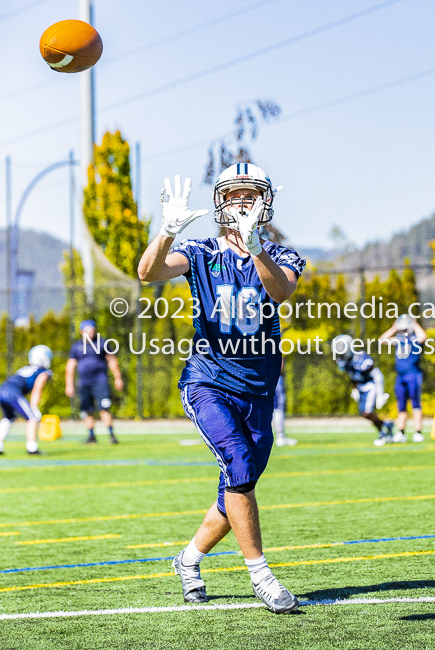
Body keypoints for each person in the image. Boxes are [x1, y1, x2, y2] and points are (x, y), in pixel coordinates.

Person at [138, 164, 306, 613]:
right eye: (234, 194)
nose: (242, 202)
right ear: (220, 202)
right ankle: (262, 576)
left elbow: (279, 292)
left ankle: (188, 561)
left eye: (250, 194)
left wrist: (254, 250)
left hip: (258, 391)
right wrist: (166, 233)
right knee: (238, 465)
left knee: (233, 490)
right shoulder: (201, 251)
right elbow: (148, 273)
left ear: (266, 202)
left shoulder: (281, 256)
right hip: (209, 380)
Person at [65, 319, 123, 445]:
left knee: (104, 408)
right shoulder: (76, 347)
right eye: (87, 331)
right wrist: (69, 385)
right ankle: (91, 436)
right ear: (81, 332)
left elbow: (112, 360)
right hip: (84, 383)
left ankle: (112, 435)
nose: (90, 333)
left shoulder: (102, 343)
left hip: (100, 382)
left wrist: (118, 377)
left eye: (92, 330)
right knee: (87, 410)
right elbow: (70, 366)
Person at [333, 334, 393, 447]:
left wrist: (380, 393)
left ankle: (383, 434)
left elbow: (376, 374)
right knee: (364, 414)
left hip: (371, 386)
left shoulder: (359, 357)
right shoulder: (343, 360)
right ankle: (386, 425)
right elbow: (352, 377)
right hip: (361, 388)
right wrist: (355, 390)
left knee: (367, 412)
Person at [379, 314, 428, 443]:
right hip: (400, 375)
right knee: (401, 405)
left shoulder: (414, 339)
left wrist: (414, 324)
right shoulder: (398, 339)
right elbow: (382, 340)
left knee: (415, 403)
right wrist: (394, 327)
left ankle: (418, 431)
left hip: (413, 374)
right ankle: (401, 432)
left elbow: (423, 337)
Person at [0, 345, 53, 455]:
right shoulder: (42, 372)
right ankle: (32, 448)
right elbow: (37, 390)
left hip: (2, 390)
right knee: (32, 417)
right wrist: (34, 407)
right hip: (12, 393)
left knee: (9, 417)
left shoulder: (25, 368)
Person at [273, 370, 297, 447]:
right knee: (278, 407)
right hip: (274, 376)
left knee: (277, 407)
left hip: (270, 376)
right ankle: (280, 436)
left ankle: (280, 436)